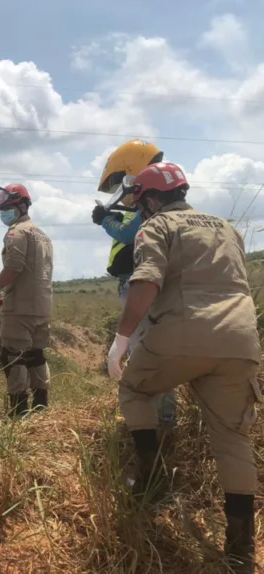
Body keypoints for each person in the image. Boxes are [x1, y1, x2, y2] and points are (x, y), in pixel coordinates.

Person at [107, 162, 261, 572]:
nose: (141, 212)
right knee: (232, 439)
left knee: (136, 389)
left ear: (152, 200)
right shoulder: (228, 228)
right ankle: (240, 549)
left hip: (180, 333)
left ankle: (149, 481)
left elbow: (147, 281)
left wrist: (121, 339)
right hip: (239, 339)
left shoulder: (156, 227)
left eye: (142, 205)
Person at [94, 139, 177, 430]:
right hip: (143, 283)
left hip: (141, 284)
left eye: (124, 181)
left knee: (145, 352)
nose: (124, 189)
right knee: (149, 351)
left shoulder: (149, 206)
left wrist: (105, 220)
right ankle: (157, 418)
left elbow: (128, 234)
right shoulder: (159, 201)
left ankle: (154, 423)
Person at [0, 184, 53, 417]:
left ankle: (19, 410)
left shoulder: (16, 233)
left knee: (13, 355)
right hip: (42, 306)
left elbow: (13, 268)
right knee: (36, 354)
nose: (3, 213)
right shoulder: (43, 235)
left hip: (20, 308)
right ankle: (41, 405)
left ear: (21, 206)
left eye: (8, 208)